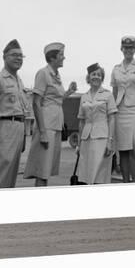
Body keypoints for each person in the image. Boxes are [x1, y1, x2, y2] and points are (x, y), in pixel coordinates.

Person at [24, 42, 77, 187]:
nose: (64, 57)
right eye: (61, 55)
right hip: (46, 126)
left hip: (55, 126)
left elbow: (56, 100)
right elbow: (36, 102)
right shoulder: (43, 73)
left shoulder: (56, 75)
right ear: (52, 58)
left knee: (46, 170)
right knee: (42, 170)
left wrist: (69, 92)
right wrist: (42, 132)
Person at [0, 39, 29, 189]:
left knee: (10, 177)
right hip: (3, 130)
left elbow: (21, 111)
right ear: (4, 57)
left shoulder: (19, 82)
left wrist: (23, 138)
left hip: (17, 131)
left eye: (21, 56)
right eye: (14, 55)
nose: (18, 58)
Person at [111, 36, 135, 183]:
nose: (128, 50)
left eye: (131, 48)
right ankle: (126, 183)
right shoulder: (116, 69)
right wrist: (112, 111)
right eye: (126, 48)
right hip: (120, 111)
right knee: (123, 151)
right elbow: (114, 91)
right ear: (122, 49)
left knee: (134, 151)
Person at [76, 63, 117, 185]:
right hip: (86, 139)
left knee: (99, 175)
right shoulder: (84, 97)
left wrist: (110, 141)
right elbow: (81, 121)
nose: (96, 77)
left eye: (99, 75)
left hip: (101, 138)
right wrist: (79, 144)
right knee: (86, 174)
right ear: (88, 77)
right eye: (93, 74)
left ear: (102, 78)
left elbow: (112, 119)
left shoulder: (108, 95)